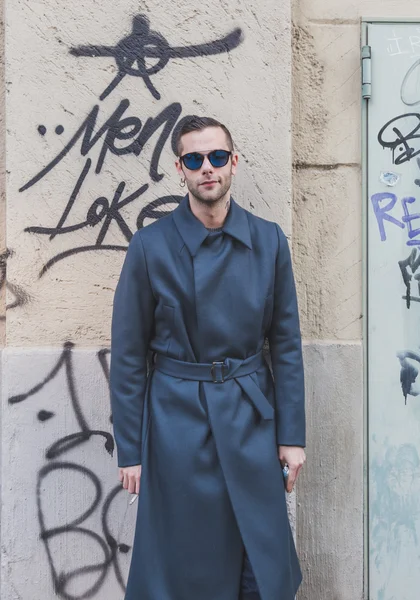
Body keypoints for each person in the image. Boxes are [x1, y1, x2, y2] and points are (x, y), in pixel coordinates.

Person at [110, 116, 306, 600]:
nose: (207, 169)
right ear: (180, 169)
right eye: (194, 160)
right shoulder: (150, 246)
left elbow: (285, 345)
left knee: (261, 557)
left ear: (233, 162)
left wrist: (292, 436)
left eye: (217, 157)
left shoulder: (269, 240)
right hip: (178, 421)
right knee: (186, 561)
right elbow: (130, 356)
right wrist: (130, 448)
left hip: (249, 414)